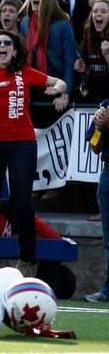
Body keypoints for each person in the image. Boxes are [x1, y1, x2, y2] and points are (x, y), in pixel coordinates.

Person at [0, 30, 67, 276]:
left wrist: (59, 90)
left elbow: (59, 81)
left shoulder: (25, 73)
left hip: (22, 143)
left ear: (15, 49)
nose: (2, 46)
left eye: (7, 43)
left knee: (22, 200)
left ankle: (27, 258)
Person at [18, 0, 81, 113]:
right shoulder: (25, 23)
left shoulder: (63, 25)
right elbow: (25, 59)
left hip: (60, 83)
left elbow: (70, 61)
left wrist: (65, 94)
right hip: (37, 84)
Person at [85, 101, 109, 302]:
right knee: (108, 240)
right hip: (107, 174)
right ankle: (107, 290)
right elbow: (94, 147)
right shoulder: (105, 106)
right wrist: (101, 126)